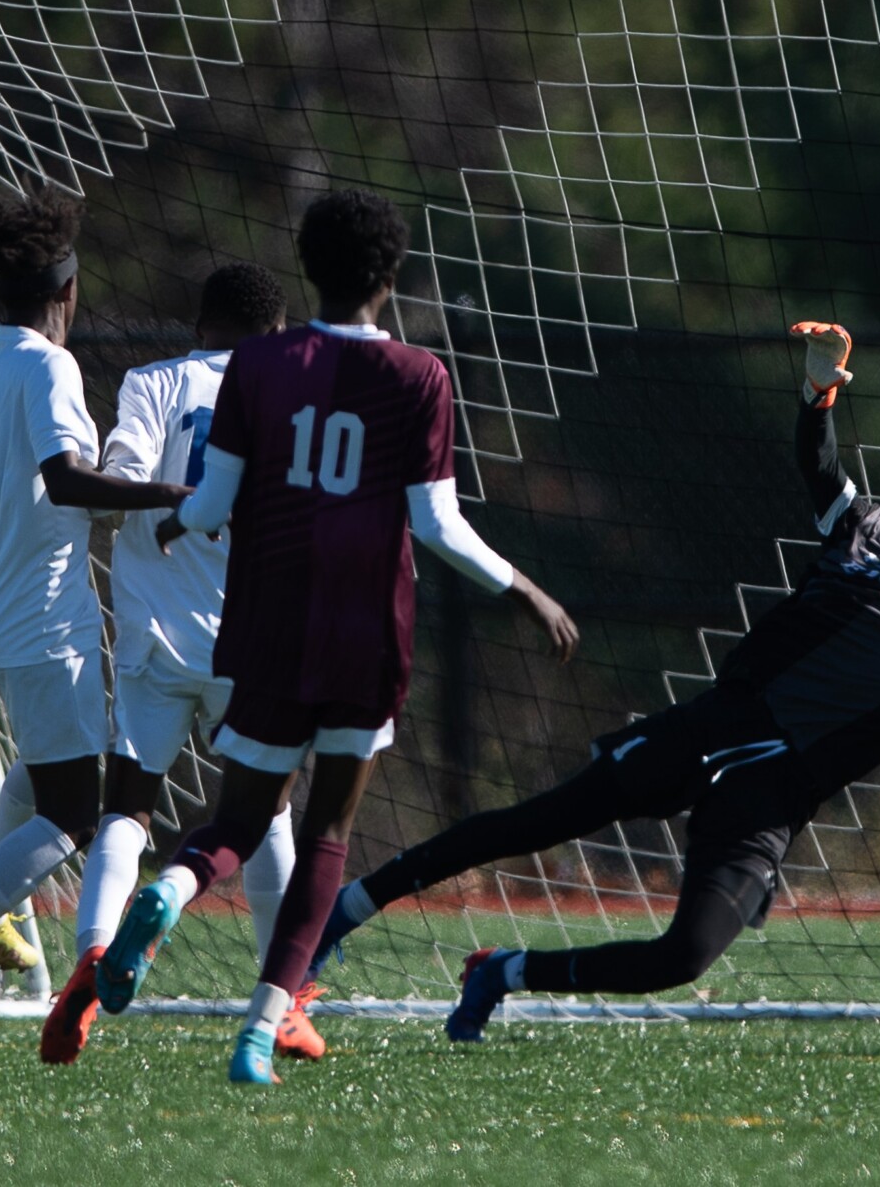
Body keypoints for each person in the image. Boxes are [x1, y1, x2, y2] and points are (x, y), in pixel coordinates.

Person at [303, 320, 880, 1044]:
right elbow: (820, 467)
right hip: (718, 726)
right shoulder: (871, 534)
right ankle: (343, 910)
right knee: (533, 822)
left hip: (777, 792)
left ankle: (505, 971)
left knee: (682, 957)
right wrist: (819, 390)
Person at [96, 188, 578, 1086]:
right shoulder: (419, 374)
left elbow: (212, 501)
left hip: (267, 623)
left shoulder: (259, 364)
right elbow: (435, 525)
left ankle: (168, 889)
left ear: (308, 268)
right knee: (325, 833)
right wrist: (524, 588)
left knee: (240, 819)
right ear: (389, 276)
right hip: (364, 631)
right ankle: (258, 1032)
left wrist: (175, 523)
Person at [0, 186, 192, 1049]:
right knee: (74, 816)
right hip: (41, 610)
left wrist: (14, 507)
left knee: (43, 768)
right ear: (68, 289)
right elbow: (64, 478)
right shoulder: (51, 367)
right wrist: (171, 493)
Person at [40, 260, 321, 1064]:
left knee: (127, 807)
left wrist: (167, 501)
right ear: (276, 333)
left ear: (201, 328)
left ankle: (91, 962)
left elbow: (121, 482)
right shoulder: (295, 396)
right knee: (267, 811)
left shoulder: (152, 382)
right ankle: (283, 1001)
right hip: (251, 638)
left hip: (155, 633)